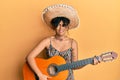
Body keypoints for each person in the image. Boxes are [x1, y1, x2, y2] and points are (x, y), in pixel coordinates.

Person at [26, 4, 100, 80]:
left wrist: (89, 62)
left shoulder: (73, 43)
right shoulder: (48, 41)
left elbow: (75, 65)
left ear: (68, 27)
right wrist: (40, 75)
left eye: (63, 25)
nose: (61, 28)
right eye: (58, 25)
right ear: (54, 26)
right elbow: (29, 57)